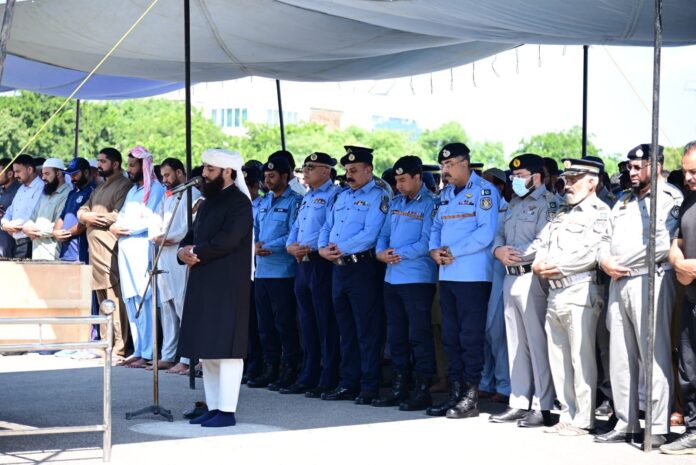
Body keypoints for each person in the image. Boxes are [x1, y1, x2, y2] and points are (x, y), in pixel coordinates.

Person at [596, 144, 682, 447]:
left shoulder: (670, 198)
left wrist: (622, 263)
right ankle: (626, 421)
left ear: (656, 165)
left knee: (653, 356)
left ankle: (657, 425)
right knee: (620, 355)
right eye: (629, 167)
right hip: (618, 282)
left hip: (651, 279)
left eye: (637, 167)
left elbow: (665, 244)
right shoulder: (623, 201)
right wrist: (605, 260)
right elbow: (604, 239)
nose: (631, 173)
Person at [532, 158, 609, 436]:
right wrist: (538, 263)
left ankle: (583, 419)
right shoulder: (561, 211)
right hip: (555, 291)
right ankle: (567, 414)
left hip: (580, 289)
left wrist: (559, 267)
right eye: (568, 178)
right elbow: (542, 242)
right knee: (559, 357)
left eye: (576, 178)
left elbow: (594, 251)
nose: (569, 183)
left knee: (581, 357)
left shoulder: (600, 212)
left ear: (592, 182)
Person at [177, 148, 253, 428]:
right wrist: (183, 251)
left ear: (227, 172)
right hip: (203, 280)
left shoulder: (240, 203)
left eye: (210, 169)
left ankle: (227, 410)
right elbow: (191, 235)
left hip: (228, 284)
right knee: (207, 348)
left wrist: (195, 251)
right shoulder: (208, 201)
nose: (204, 173)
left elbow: (228, 240)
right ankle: (213, 405)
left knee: (227, 350)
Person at [427, 142, 499, 419]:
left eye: (449, 164)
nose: (444, 170)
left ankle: (470, 395)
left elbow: (486, 232)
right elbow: (436, 226)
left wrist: (452, 251)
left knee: (470, 337)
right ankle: (455, 392)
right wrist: (434, 250)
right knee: (450, 335)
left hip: (472, 276)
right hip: (447, 274)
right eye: (442, 165)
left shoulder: (484, 192)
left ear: (464, 163)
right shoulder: (445, 195)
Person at [487, 154, 556, 427]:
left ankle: (543, 404)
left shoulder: (549, 204)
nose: (514, 181)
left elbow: (545, 239)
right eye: (513, 176)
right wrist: (498, 250)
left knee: (536, 343)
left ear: (536, 177)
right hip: (509, 277)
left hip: (531, 278)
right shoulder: (513, 203)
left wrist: (520, 256)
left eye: (520, 176)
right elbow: (500, 234)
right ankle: (518, 401)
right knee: (514, 343)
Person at [318, 146, 389, 404]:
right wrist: (322, 248)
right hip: (338, 268)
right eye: (347, 170)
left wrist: (340, 249)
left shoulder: (378, 196)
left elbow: (371, 234)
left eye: (355, 170)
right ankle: (349, 383)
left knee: (366, 330)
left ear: (368, 170)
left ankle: (369, 385)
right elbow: (328, 225)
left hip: (362, 268)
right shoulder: (342, 197)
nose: (349, 175)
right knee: (345, 329)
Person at [373, 156, 438, 411]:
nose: (398, 185)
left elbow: (427, 242)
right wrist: (380, 252)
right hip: (392, 277)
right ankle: (400, 386)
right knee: (396, 334)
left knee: (418, 335)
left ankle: (422, 388)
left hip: (417, 279)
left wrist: (397, 253)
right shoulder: (396, 203)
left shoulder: (431, 204)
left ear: (417, 177)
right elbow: (383, 234)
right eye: (396, 181)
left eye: (402, 180)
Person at [284, 152, 341, 397]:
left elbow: (331, 227)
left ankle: (328, 375)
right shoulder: (308, 197)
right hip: (302, 263)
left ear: (326, 171)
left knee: (324, 321)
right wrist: (290, 245)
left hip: (320, 263)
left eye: (311, 167)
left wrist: (314, 246)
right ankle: (309, 372)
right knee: (306, 321)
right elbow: (296, 226)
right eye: (304, 167)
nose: (305, 171)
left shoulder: (335, 195)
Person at [247, 157, 302, 390]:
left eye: (272, 176)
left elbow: (293, 233)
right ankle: (270, 368)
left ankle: (289, 368)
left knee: (284, 324)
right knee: (264, 325)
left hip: (283, 272)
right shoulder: (263, 202)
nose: (267, 181)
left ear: (284, 176)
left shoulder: (295, 201)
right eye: (266, 177)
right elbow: (255, 230)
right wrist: (254, 246)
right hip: (262, 273)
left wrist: (267, 245)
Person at [109, 146, 165, 368]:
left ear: (144, 166)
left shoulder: (156, 190)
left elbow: (149, 220)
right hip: (126, 251)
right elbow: (120, 218)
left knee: (145, 299)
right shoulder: (133, 192)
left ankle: (149, 352)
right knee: (131, 300)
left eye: (132, 166)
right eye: (129, 165)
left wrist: (123, 228)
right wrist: (116, 227)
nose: (129, 170)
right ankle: (139, 348)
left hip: (143, 250)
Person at [78, 148, 134, 360]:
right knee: (102, 299)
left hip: (110, 250)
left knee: (114, 299)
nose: (99, 165)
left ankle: (119, 347)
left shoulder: (124, 185)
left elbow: (117, 216)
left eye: (102, 161)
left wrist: (90, 218)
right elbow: (82, 210)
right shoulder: (99, 186)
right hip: (95, 253)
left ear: (116, 163)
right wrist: (86, 217)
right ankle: (105, 343)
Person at [149, 157, 201, 371]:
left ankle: (188, 359)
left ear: (180, 172)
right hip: (163, 253)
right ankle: (168, 354)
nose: (165, 180)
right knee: (167, 306)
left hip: (179, 253)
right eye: (163, 176)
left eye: (168, 175)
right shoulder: (167, 196)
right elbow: (156, 219)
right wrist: (157, 235)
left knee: (182, 303)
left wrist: (169, 237)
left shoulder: (193, 194)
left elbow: (189, 227)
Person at [664, 140, 696, 454]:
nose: (688, 178)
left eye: (694, 172)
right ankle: (693, 429)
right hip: (690, 295)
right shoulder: (687, 203)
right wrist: (678, 263)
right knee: (688, 366)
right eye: (686, 172)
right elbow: (676, 242)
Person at [479, 167, 511, 404]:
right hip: (478, 275)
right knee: (481, 332)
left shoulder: (506, 209)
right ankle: (485, 381)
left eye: (488, 184)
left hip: (499, 275)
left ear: (499, 187)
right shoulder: (479, 206)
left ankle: (504, 385)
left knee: (496, 331)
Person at [241, 164, 265, 383]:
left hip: (261, 265)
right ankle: (246, 362)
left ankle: (258, 363)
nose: (246, 189)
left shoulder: (262, 205)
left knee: (258, 321)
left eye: (249, 185)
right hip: (242, 267)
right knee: (244, 321)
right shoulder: (238, 205)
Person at [22, 158, 71, 260]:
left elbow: (60, 226)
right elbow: (32, 217)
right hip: (37, 253)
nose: (43, 177)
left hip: (54, 255)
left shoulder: (68, 194)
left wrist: (33, 230)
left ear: (58, 174)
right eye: (43, 174)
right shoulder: (46, 193)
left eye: (47, 174)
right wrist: (26, 227)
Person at [1, 154, 43, 259]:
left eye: (18, 171)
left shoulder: (40, 187)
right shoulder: (21, 189)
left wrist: (10, 225)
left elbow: (31, 215)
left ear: (29, 169)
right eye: (14, 172)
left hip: (29, 242)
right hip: (16, 241)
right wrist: (4, 224)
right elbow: (10, 211)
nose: (15, 176)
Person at [53, 158, 95, 263]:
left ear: (86, 172)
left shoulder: (93, 192)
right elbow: (63, 216)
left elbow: (86, 221)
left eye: (75, 174)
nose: (72, 178)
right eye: (70, 175)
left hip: (80, 252)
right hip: (65, 251)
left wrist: (67, 233)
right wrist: (56, 232)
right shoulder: (72, 193)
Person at [0, 158, 20, 257]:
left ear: (10, 174)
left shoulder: (20, 191)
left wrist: (3, 214)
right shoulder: (1, 189)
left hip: (10, 244)